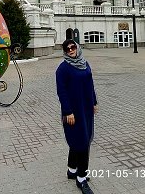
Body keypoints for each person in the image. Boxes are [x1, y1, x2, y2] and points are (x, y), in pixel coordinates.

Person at [56, 39, 98, 194]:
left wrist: (94, 102)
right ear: (65, 51)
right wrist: (67, 112)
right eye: (67, 49)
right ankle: (81, 178)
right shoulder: (63, 69)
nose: (71, 50)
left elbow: (90, 84)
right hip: (73, 112)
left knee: (80, 139)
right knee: (81, 142)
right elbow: (62, 92)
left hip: (86, 108)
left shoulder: (85, 64)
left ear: (77, 47)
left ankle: (72, 170)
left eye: (73, 47)